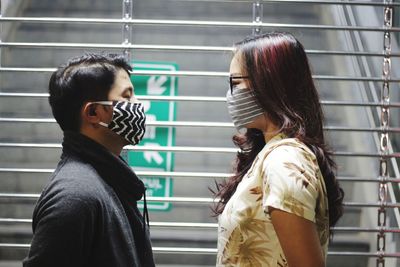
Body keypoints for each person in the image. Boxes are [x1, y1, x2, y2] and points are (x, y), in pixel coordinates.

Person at [213, 32, 344, 266]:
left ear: (268, 82)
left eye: (235, 83)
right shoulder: (273, 154)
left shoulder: (285, 159)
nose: (231, 95)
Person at [23, 53, 155, 267]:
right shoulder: (74, 198)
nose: (138, 104)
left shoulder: (108, 181)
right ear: (93, 112)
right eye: (127, 96)